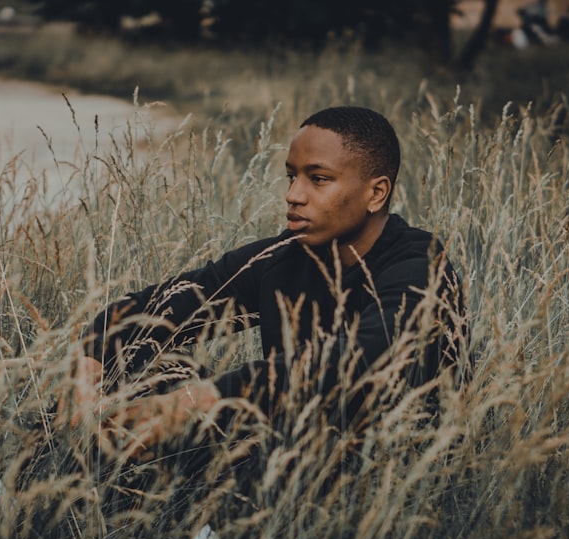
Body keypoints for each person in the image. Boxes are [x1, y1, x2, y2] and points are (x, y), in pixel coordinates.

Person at [62, 106, 466, 461]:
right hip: (283, 446)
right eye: (291, 176)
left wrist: (195, 402)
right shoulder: (285, 256)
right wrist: (91, 363)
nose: (293, 195)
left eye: (318, 179)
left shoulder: (420, 267)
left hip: (389, 472)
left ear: (376, 193)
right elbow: (165, 306)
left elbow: (361, 359)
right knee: (140, 385)